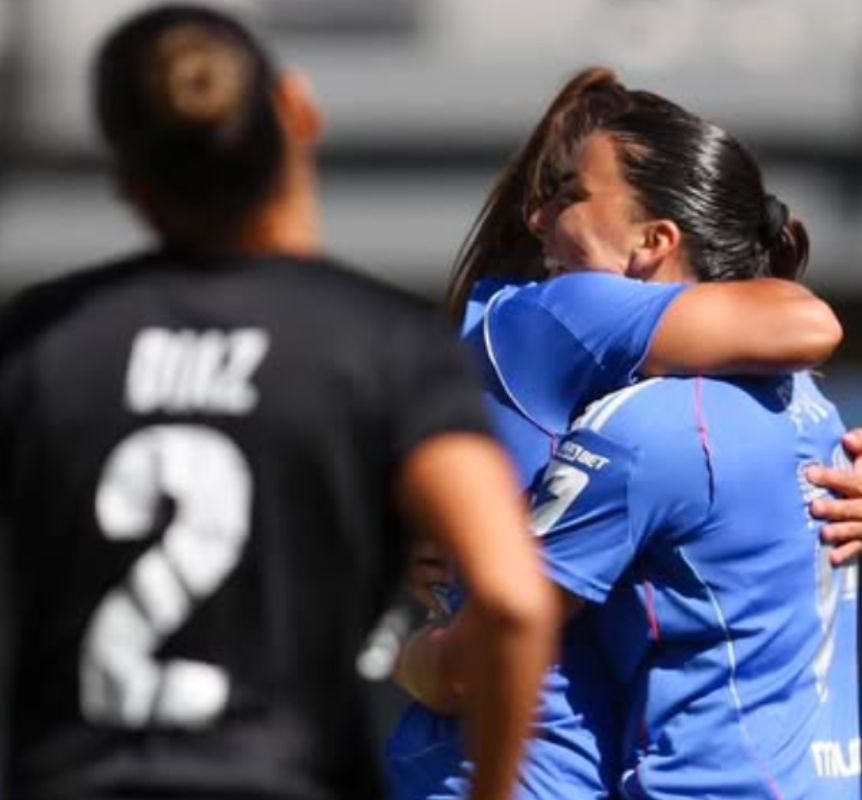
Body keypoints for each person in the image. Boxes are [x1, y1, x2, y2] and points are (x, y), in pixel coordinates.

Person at [0, 6, 553, 800]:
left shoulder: (45, 340)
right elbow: (512, 600)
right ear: (298, 112)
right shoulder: (381, 344)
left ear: (129, 182)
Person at [388, 70, 862, 800]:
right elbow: (806, 325)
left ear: (655, 239)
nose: (538, 221)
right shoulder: (565, 321)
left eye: (565, 195)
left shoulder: (656, 408)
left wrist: (413, 660)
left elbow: (805, 326)